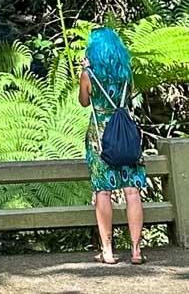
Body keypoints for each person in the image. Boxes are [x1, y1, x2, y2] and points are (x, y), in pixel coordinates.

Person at [80, 27, 147, 266]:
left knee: (103, 191)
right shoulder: (126, 73)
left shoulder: (89, 73)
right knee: (132, 190)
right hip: (126, 133)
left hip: (101, 136)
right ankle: (136, 250)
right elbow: (127, 100)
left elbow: (84, 101)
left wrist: (84, 71)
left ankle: (107, 250)